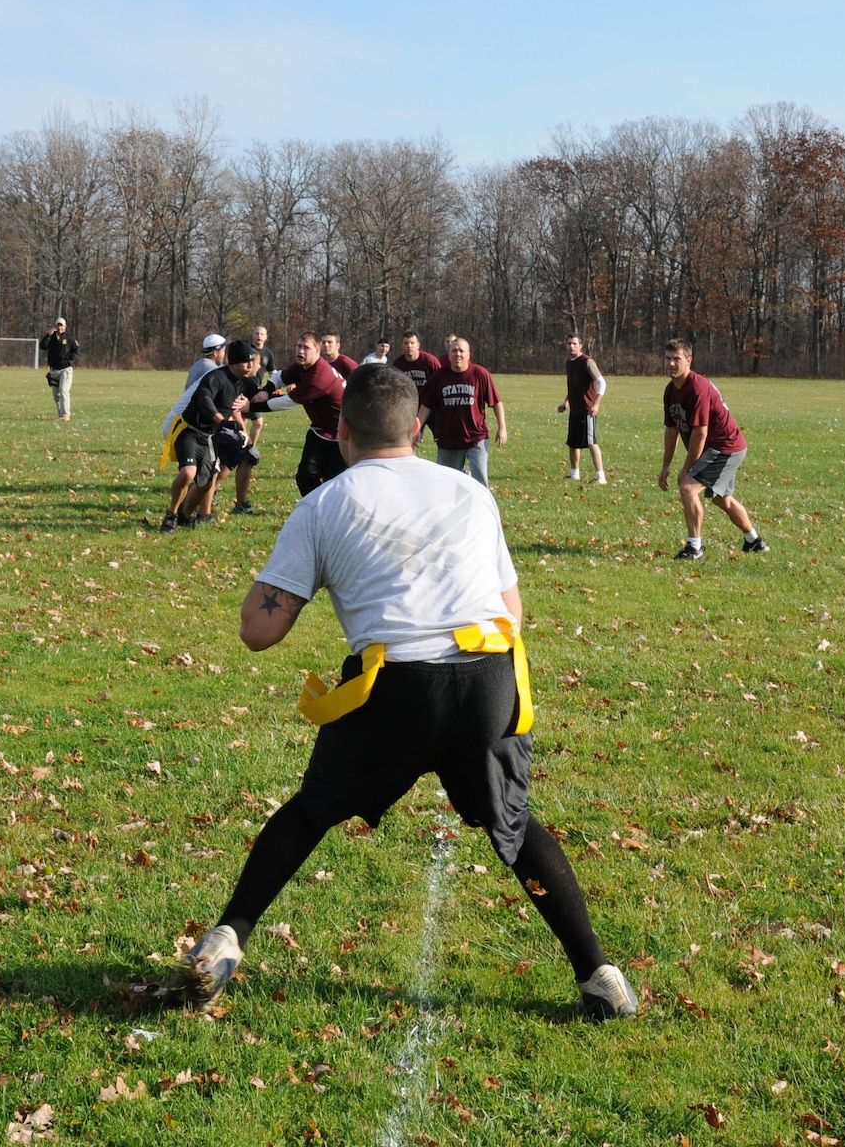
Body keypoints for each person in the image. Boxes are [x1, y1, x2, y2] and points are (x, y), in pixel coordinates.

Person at [168, 363, 638, 1024]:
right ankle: (601, 975)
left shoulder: (324, 504)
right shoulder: (472, 493)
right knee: (513, 824)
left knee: (309, 815)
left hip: (394, 685)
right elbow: (512, 610)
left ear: (339, 429)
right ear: (418, 428)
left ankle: (229, 935)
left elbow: (258, 631)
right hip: (487, 679)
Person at [658, 339, 765, 559]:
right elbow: (672, 430)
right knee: (721, 499)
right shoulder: (671, 390)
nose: (671, 364)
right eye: (668, 358)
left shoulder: (698, 388)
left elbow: (700, 433)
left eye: (677, 359)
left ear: (689, 360)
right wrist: (666, 466)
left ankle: (694, 548)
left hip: (725, 447)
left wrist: (687, 468)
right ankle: (754, 541)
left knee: (688, 488)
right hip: (716, 448)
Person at [162, 340, 260, 532]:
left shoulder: (243, 382)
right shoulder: (215, 377)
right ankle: (171, 515)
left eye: (252, 361)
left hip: (208, 437)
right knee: (189, 473)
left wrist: (285, 392)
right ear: (232, 361)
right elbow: (205, 400)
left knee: (207, 483)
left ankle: (185, 515)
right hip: (189, 431)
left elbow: (260, 395)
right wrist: (220, 420)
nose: (250, 365)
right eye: (245, 361)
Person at [263, 332, 347, 496]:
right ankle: (316, 511)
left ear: (317, 351)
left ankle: (327, 514)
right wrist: (266, 391)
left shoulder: (319, 375)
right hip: (319, 431)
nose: (300, 351)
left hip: (342, 435)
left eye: (306, 348)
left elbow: (287, 401)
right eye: (299, 346)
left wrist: (251, 406)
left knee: (335, 485)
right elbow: (281, 376)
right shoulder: (303, 366)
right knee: (305, 477)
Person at [423, 338, 506, 487]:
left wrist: (502, 428)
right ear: (448, 354)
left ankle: (482, 509)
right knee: (447, 483)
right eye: (454, 350)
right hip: (448, 439)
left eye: (461, 351)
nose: (458, 354)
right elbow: (426, 405)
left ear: (468, 355)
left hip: (476, 437)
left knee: (480, 481)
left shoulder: (480, 374)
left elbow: (496, 402)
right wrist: (417, 429)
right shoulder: (438, 377)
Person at [232, 326, 282, 515]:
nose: (260, 367)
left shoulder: (249, 380)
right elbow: (233, 409)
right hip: (220, 424)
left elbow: (259, 399)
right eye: (258, 363)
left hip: (252, 399)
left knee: (245, 456)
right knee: (233, 460)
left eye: (262, 333)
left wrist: (284, 395)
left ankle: (238, 503)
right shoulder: (235, 378)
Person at [557, 335, 607, 484]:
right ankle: (574, 475)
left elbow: (602, 383)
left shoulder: (587, 362)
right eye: (569, 343)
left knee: (591, 442)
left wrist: (596, 404)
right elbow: (573, 387)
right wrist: (566, 403)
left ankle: (601, 477)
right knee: (573, 443)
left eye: (574, 343)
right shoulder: (569, 363)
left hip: (587, 410)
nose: (571, 346)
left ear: (580, 346)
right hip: (575, 410)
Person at [39, 317, 78, 420]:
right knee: (56, 395)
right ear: (55, 326)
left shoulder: (70, 338)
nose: (60, 327)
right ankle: (61, 415)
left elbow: (76, 351)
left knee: (64, 390)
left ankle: (66, 415)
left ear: (65, 327)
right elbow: (43, 346)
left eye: (62, 325)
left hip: (66, 370)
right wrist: (48, 335)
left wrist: (69, 361)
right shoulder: (51, 338)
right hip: (54, 370)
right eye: (58, 325)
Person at [390, 330, 441, 395]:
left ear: (418, 345)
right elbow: (393, 387)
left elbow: (440, 381)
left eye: (412, 343)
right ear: (402, 346)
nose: (409, 346)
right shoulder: (397, 364)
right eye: (406, 343)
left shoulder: (430, 361)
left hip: (427, 401)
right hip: (406, 401)